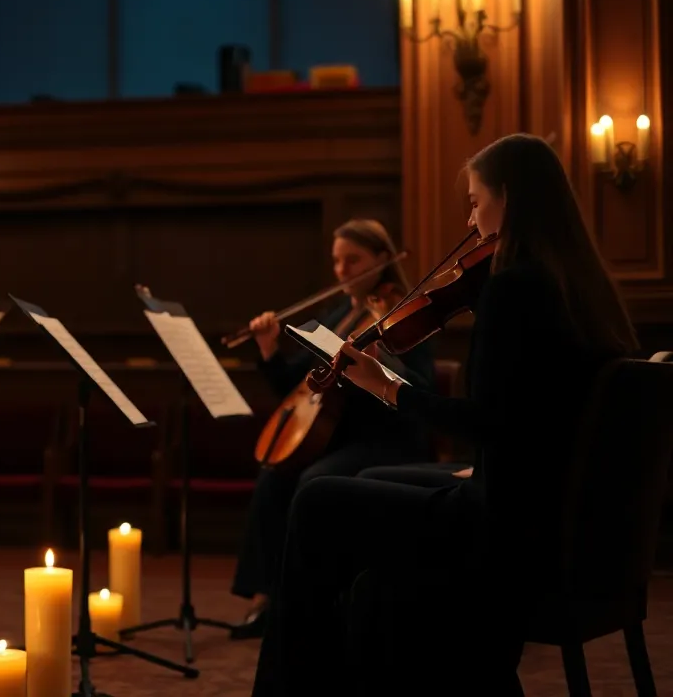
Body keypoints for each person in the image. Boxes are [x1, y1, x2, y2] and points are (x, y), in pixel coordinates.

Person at [251, 134, 640, 695]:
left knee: (317, 498)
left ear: (508, 198)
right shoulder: (578, 286)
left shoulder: (515, 288)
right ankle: (371, 629)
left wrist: (384, 385)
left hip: (503, 527)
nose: (470, 220)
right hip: (546, 512)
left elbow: (482, 420)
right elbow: (530, 418)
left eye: (476, 202)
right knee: (370, 486)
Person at [229, 219, 436, 639]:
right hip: (336, 437)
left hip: (385, 439)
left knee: (313, 480)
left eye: (353, 260)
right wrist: (268, 349)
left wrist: (383, 362)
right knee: (273, 476)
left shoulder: (405, 314)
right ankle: (268, 596)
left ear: (383, 259)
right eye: (337, 261)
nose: (342, 270)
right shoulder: (338, 314)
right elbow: (297, 385)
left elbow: (423, 388)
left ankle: (310, 603)